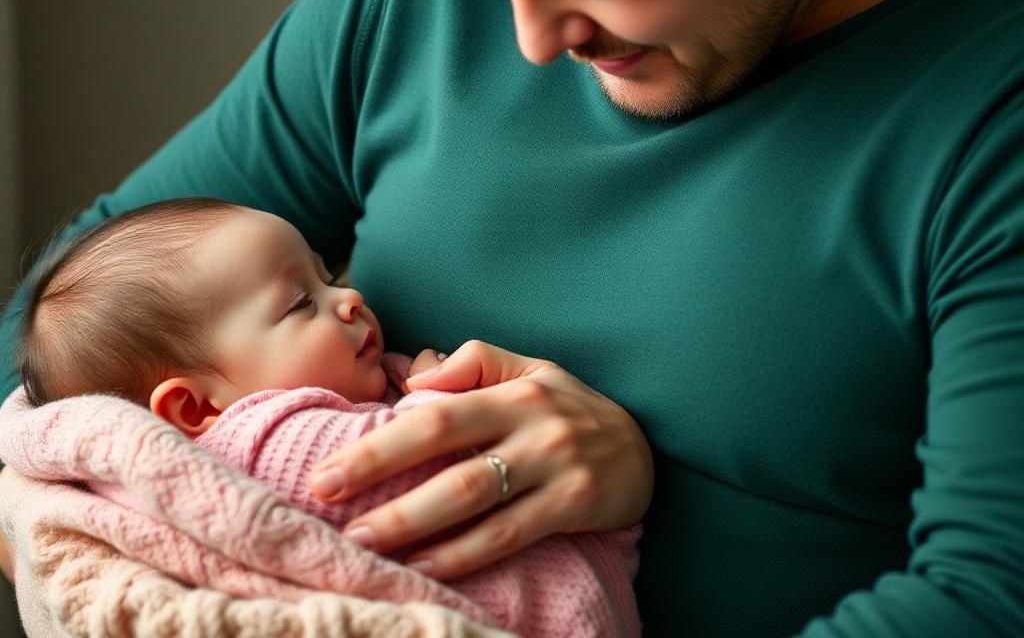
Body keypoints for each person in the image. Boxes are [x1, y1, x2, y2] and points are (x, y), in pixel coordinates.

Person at [2, 0, 1023, 634]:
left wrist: (639, 481)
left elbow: (986, 601)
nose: (532, 41)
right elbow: (56, 338)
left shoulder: (991, 113)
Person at [13, 196, 642, 637]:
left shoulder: (278, 401)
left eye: (326, 273)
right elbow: (397, 473)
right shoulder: (261, 437)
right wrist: (439, 399)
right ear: (195, 407)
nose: (348, 297)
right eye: (299, 304)